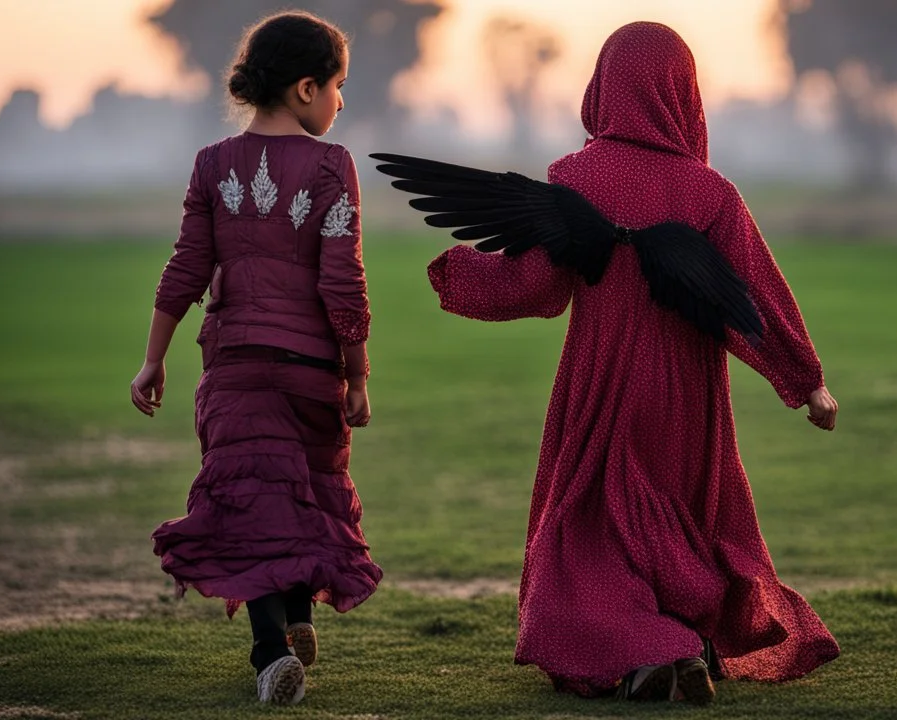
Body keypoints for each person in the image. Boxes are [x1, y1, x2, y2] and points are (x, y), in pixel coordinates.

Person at [419, 21, 840, 704]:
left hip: (600, 379)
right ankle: (676, 646)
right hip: (687, 394)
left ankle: (654, 650)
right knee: (678, 519)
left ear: (604, 85)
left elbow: (537, 287)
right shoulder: (712, 194)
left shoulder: (573, 179)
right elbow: (756, 296)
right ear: (683, 93)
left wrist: (457, 273)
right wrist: (807, 383)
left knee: (593, 528)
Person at [129, 11, 381, 706]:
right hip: (308, 371)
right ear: (305, 88)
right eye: (337, 86)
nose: (340, 101)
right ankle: (297, 618)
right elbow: (343, 286)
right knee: (299, 493)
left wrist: (153, 359)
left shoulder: (213, 165)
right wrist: (357, 374)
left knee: (254, 501)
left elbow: (185, 268)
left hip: (236, 369)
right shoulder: (332, 166)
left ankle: (272, 653)